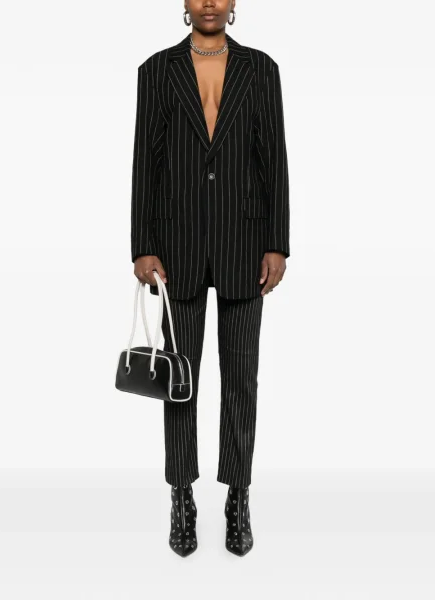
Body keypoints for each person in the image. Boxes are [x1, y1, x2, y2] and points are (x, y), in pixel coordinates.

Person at [130, 0, 290, 558]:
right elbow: (145, 163)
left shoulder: (261, 69)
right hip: (177, 247)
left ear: (233, 3)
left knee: (242, 380)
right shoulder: (157, 70)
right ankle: (182, 497)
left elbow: (274, 160)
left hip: (245, 243)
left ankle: (238, 496)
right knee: (180, 381)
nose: (209, 3)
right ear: (184, 3)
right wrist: (143, 244)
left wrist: (277, 242)